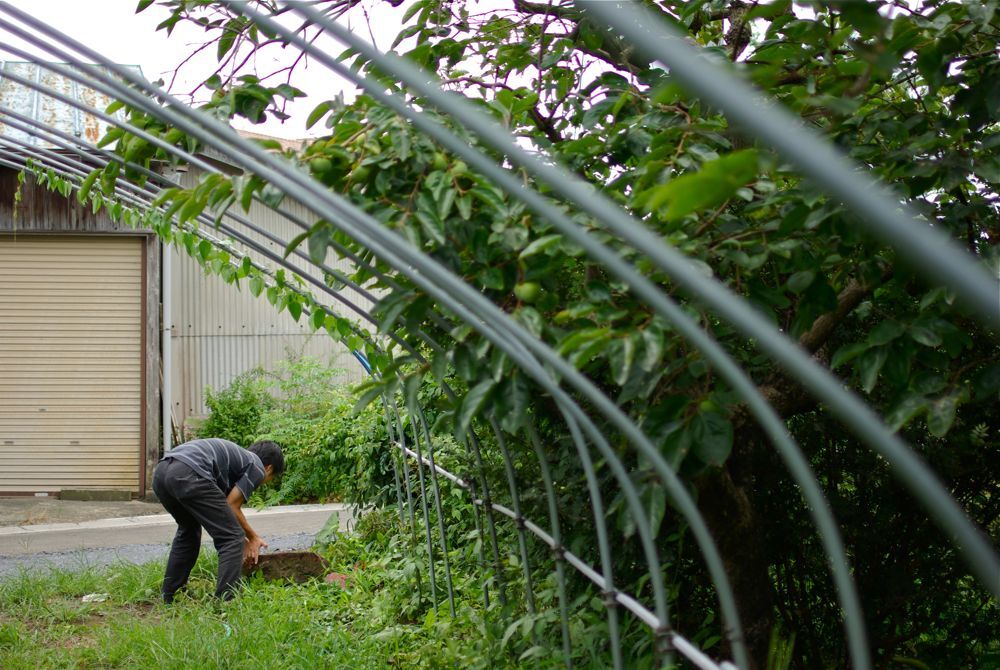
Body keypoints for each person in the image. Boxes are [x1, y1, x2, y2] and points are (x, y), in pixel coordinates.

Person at [152, 438, 284, 603]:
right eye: (270, 479)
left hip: (162, 473)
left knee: (189, 531)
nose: (264, 482)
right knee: (232, 538)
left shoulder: (235, 461)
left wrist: (240, 538)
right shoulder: (256, 466)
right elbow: (232, 505)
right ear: (269, 468)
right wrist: (252, 537)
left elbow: (223, 516)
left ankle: (170, 596)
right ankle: (225, 603)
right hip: (189, 472)